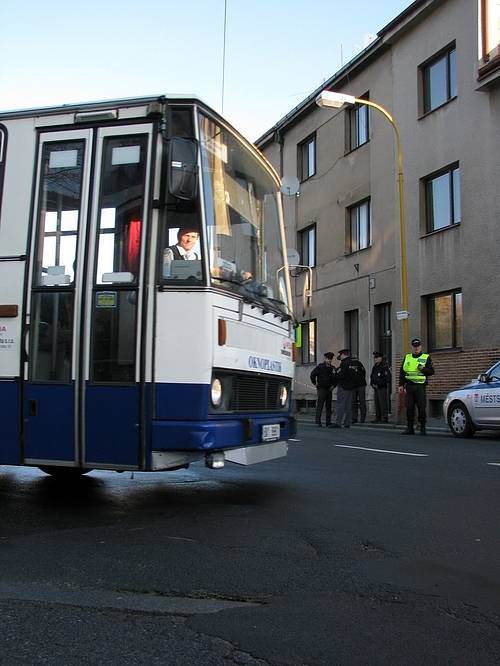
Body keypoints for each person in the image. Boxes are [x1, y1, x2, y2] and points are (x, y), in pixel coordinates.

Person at [398, 337, 435, 435]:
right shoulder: (407, 357)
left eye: (418, 346)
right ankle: (410, 428)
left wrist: (423, 369)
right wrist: (401, 385)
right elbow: (402, 372)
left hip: (420, 387)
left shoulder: (426, 357)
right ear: (412, 347)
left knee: (421, 407)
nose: (416, 348)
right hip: (409, 386)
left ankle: (422, 427)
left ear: (420, 347)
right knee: (409, 407)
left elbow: (431, 371)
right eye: (414, 346)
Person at [332, 349, 364, 428]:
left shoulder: (344, 363)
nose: (340, 357)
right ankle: (347, 423)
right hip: (351, 387)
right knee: (348, 406)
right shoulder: (353, 363)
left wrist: (335, 374)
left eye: (340, 355)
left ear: (343, 355)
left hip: (343, 386)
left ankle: (338, 422)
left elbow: (341, 375)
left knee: (340, 405)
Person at [310, 352, 337, 427]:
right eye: (328, 359)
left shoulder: (332, 368)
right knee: (320, 405)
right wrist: (315, 383)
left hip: (329, 389)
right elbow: (312, 374)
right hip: (322, 388)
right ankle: (318, 421)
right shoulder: (320, 367)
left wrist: (334, 386)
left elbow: (336, 378)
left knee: (329, 406)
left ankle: (328, 422)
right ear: (325, 359)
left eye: (330, 359)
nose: (329, 360)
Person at [370, 352, 391, 423]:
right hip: (375, 388)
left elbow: (387, 378)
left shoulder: (384, 367)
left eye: (377, 357)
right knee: (377, 403)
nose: (375, 359)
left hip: (382, 387)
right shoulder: (375, 367)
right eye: (375, 358)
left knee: (383, 403)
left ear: (381, 358)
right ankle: (378, 418)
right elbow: (372, 376)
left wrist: (379, 384)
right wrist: (372, 384)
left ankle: (384, 418)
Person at [350, 356, 367, 423]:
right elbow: (364, 373)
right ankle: (362, 418)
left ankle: (354, 418)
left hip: (355, 385)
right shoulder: (360, 364)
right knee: (361, 402)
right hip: (361, 384)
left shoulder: (350, 365)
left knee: (354, 402)